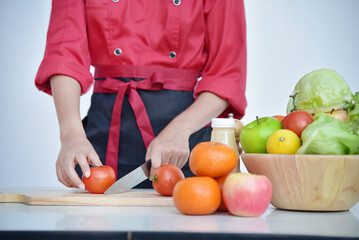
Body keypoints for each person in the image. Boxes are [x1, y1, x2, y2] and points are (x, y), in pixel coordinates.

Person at [35, 0, 247, 190]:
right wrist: (71, 135)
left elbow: (226, 73)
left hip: (186, 143)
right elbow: (64, 54)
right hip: (101, 144)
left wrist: (181, 129)